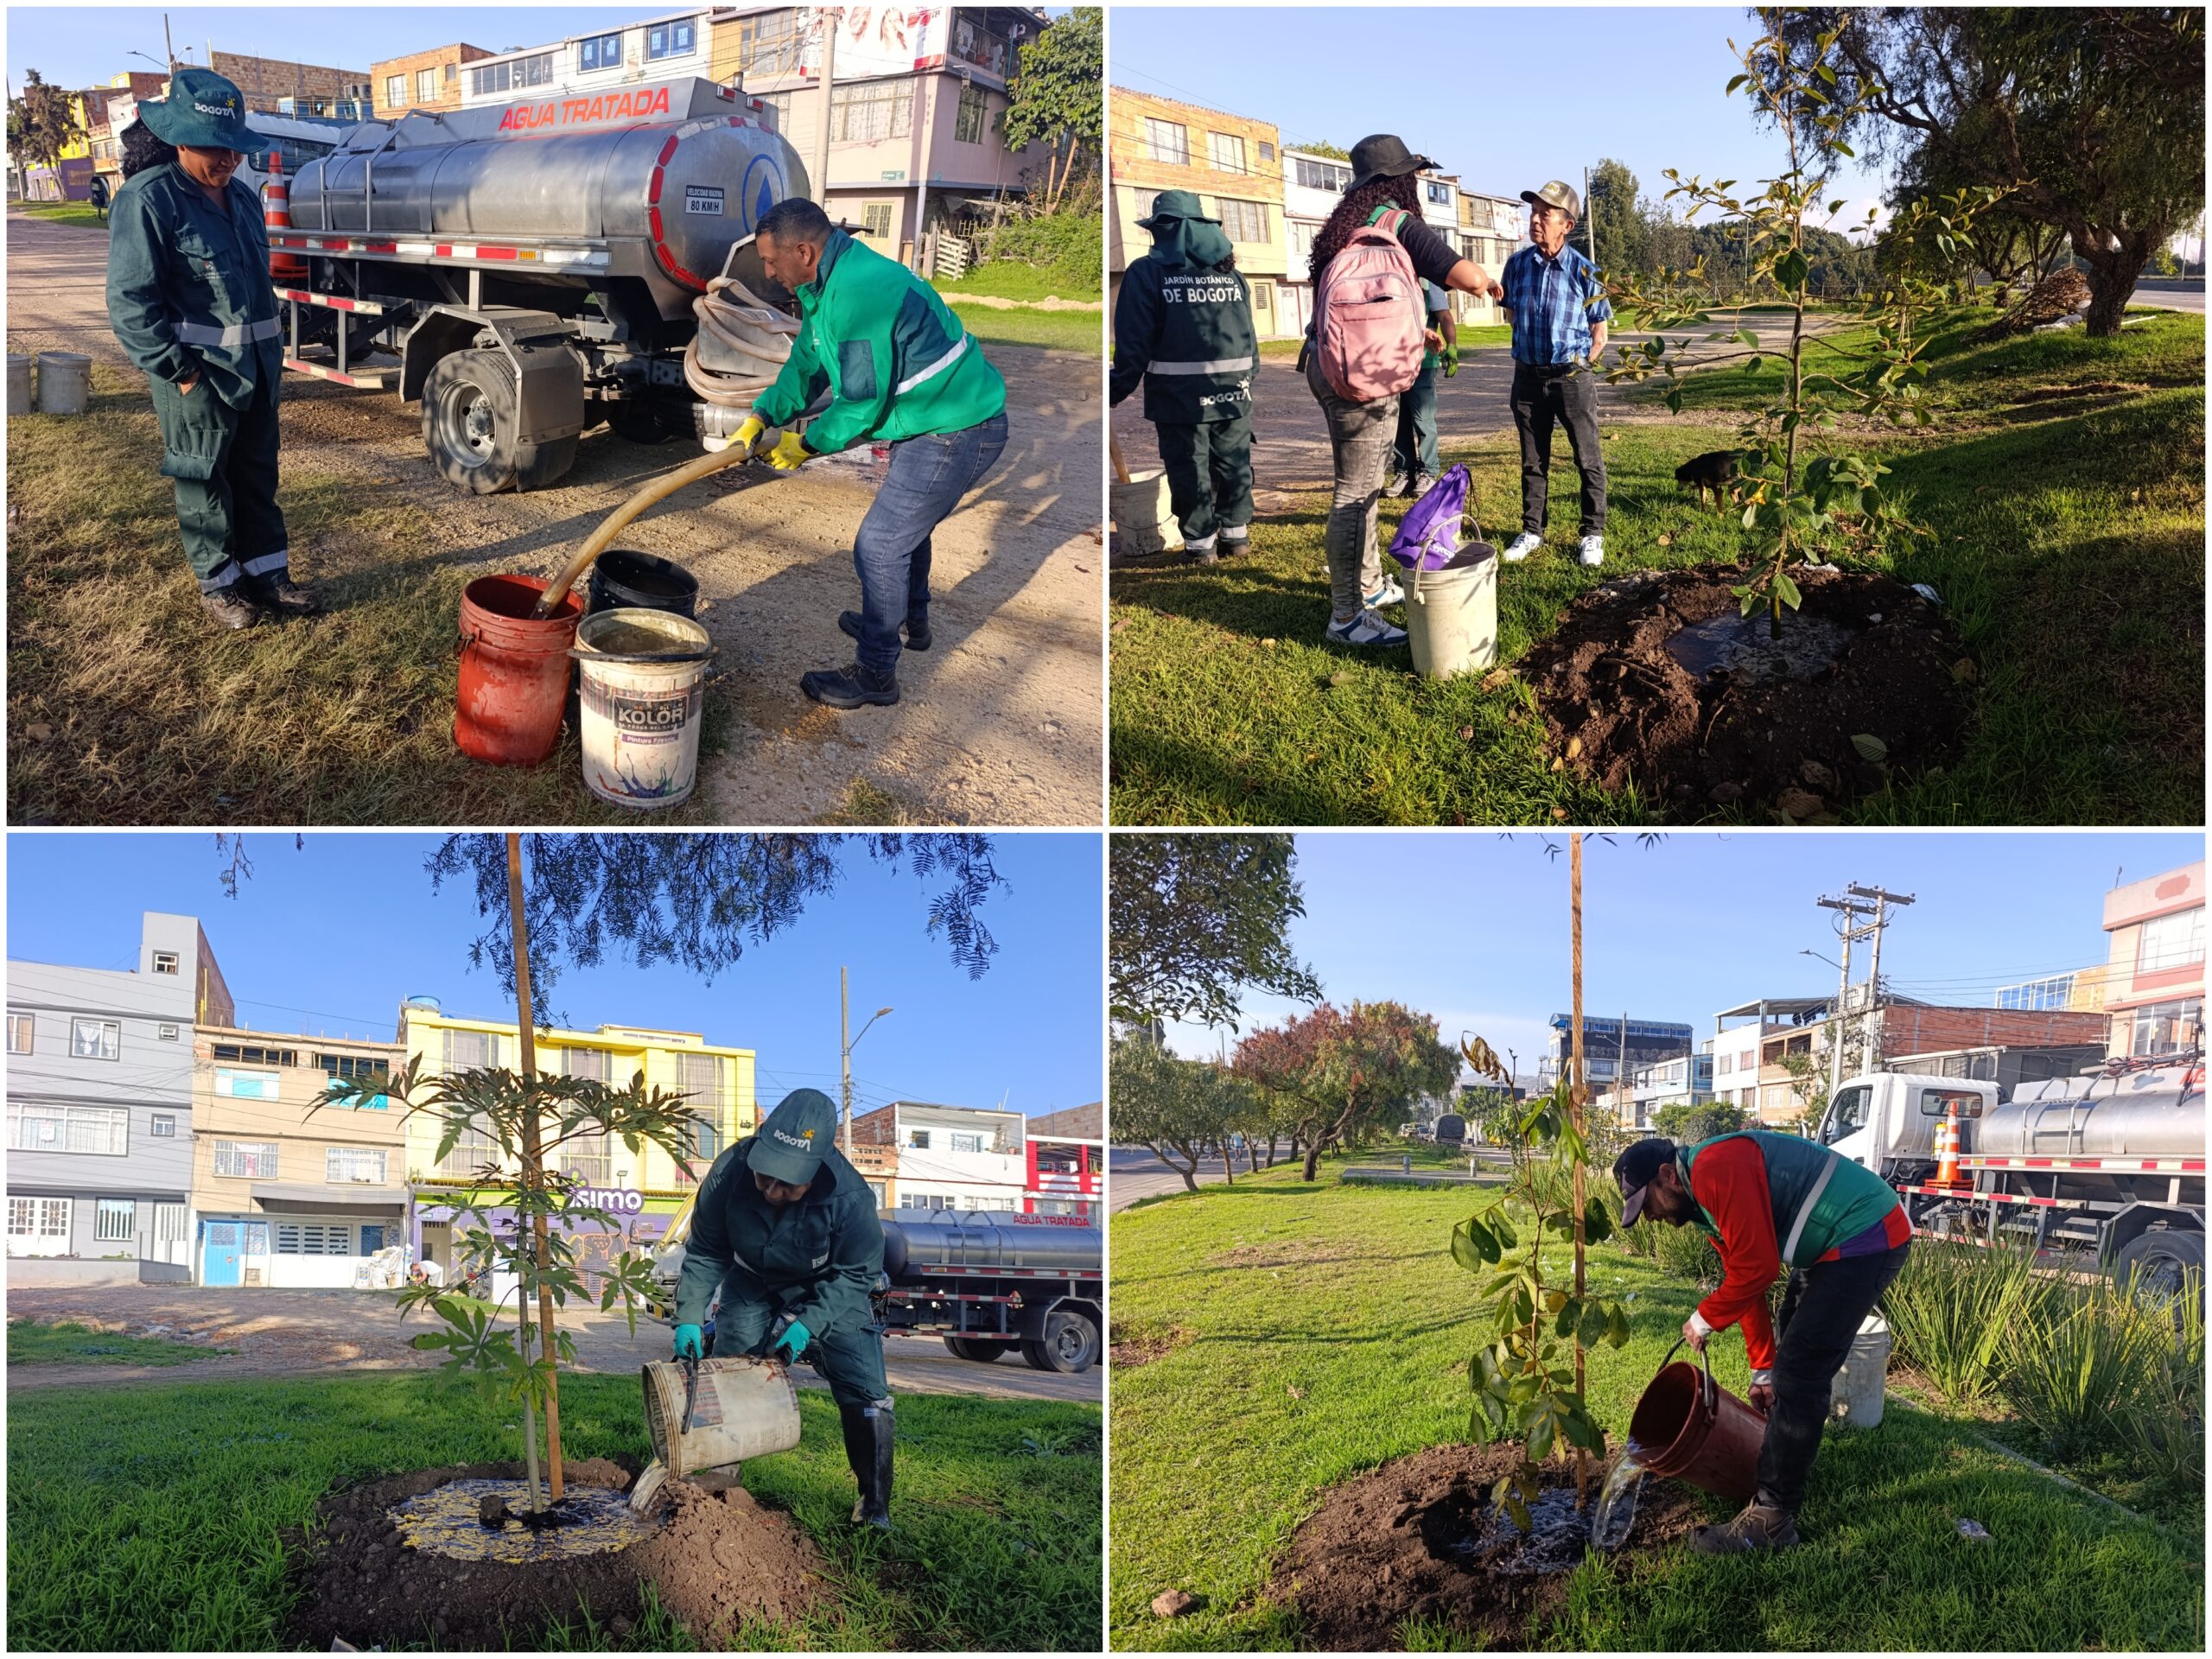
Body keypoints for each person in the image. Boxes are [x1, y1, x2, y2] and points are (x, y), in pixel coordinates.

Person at [734, 199, 1008, 710]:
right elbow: (808, 361)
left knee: (880, 546)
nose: (768, 273)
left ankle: (876, 672)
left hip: (957, 426)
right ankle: (909, 621)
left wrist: (808, 443)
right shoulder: (825, 282)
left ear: (804, 250)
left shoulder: (858, 291)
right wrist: (764, 414)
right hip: (932, 419)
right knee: (906, 531)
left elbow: (861, 400)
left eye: (772, 262)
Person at [1612, 1129, 1914, 1554]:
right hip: (1833, 1245)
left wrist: (1704, 1320)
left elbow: (1757, 1268)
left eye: (1648, 1204)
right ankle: (1781, 1456)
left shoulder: (1716, 1168)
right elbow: (1745, 1282)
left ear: (1668, 1176)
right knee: (1789, 1346)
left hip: (1864, 1234)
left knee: (1801, 1371)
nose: (1651, 1217)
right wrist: (1762, 1370)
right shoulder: (1705, 1205)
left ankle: (1771, 1518)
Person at [105, 69, 315, 631]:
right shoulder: (149, 201)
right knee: (204, 482)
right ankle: (221, 584)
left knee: (256, 477)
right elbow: (130, 302)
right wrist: (180, 371)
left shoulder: (244, 200)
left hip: (258, 372)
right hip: (197, 377)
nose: (226, 161)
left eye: (234, 149)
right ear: (178, 139)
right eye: (212, 149)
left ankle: (268, 576)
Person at [1301, 134, 1504, 649]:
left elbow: (1363, 309)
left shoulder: (1342, 230)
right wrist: (1486, 283)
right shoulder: (1396, 222)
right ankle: (1347, 616)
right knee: (1355, 493)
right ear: (1400, 180)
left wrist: (1418, 332)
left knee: (1362, 484)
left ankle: (1367, 588)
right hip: (1363, 380)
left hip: (1327, 366)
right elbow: (1464, 273)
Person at [673, 1088, 895, 1529]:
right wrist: (690, 1315)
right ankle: (721, 1480)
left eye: (787, 1183)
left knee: (864, 1387)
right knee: (731, 1362)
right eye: (764, 1178)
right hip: (752, 1276)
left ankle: (873, 1507)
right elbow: (706, 1251)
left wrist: (807, 1325)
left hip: (830, 1284)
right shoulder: (728, 1172)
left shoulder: (851, 1199)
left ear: (815, 1171)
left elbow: (856, 1274)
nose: (772, 1191)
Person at [1109, 189, 1256, 564]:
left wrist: (1115, 388)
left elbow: (1134, 342)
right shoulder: (1232, 274)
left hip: (1179, 398)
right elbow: (1249, 339)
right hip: (1234, 393)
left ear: (1164, 231)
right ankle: (1236, 538)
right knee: (1233, 463)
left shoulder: (1146, 273)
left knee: (1190, 467)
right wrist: (1245, 381)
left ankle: (1200, 548)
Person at [1497, 180, 1614, 568]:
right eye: (1533, 213)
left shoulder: (1586, 271)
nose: (1535, 221)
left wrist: (1581, 366)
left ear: (1567, 224)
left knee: (1587, 456)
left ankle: (1592, 534)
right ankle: (1532, 530)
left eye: (1545, 215)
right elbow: (1511, 315)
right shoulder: (1516, 265)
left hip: (1572, 379)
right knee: (1533, 459)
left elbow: (1600, 330)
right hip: (1527, 378)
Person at [1387, 281, 1454, 499]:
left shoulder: (1428, 283)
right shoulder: (1391, 281)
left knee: (1423, 420)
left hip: (1422, 363)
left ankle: (1428, 472)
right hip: (1391, 361)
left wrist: (1452, 346)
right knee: (1398, 421)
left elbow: (1444, 317)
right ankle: (1404, 473)